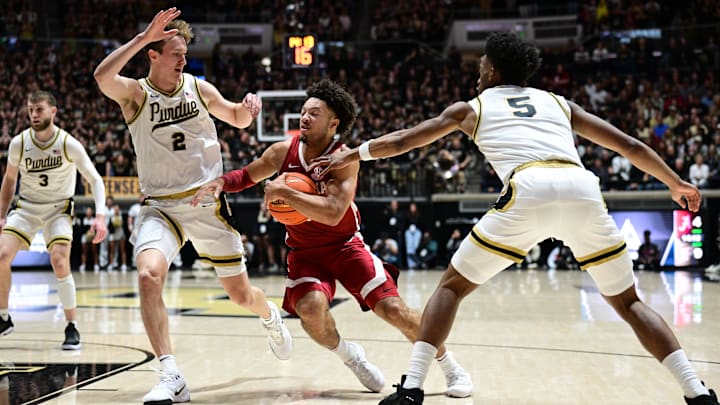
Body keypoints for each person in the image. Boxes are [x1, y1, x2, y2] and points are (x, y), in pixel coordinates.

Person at [311, 32, 717, 405]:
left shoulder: (472, 108)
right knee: (629, 302)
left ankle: (413, 388)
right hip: (581, 187)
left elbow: (404, 139)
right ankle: (696, 392)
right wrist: (675, 181)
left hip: (530, 186)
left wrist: (356, 153)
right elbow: (628, 144)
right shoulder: (559, 102)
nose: (477, 75)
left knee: (451, 288)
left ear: (493, 70)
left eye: (481, 67)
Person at [191, 79, 473, 397]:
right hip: (305, 252)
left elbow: (333, 212)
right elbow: (246, 175)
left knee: (394, 310)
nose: (305, 117)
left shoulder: (344, 159)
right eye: (303, 111)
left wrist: (284, 192)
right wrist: (220, 183)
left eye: (314, 113)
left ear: (333, 123)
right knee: (310, 310)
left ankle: (451, 367)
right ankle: (351, 357)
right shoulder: (282, 152)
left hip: (345, 246)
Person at [93, 8, 292, 404]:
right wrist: (141, 37)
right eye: (175, 53)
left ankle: (268, 314)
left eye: (185, 53)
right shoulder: (135, 95)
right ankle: (170, 373)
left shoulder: (198, 89)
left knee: (239, 297)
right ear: (153, 54)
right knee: (148, 275)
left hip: (206, 205)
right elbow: (101, 77)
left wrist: (248, 110)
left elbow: (235, 117)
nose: (183, 60)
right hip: (160, 207)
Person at [0, 91, 108, 350]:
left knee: (60, 262)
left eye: (39, 109)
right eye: (30, 109)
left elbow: (95, 179)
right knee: (2, 255)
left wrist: (101, 215)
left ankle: (72, 326)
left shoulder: (68, 143)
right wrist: (2, 213)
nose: (34, 114)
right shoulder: (19, 143)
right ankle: (3, 317)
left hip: (58, 209)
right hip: (26, 207)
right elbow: (9, 180)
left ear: (53, 111)